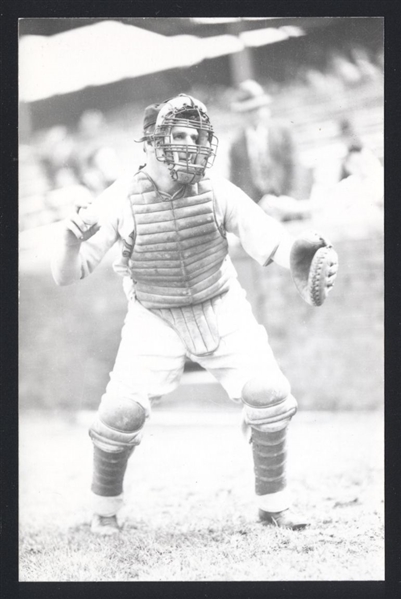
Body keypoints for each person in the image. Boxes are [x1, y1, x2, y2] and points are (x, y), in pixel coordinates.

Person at [51, 93, 337, 536]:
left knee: (269, 393)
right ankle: (104, 508)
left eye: (194, 135)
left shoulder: (217, 188)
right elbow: (68, 276)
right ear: (149, 144)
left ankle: (274, 505)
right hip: (154, 315)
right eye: (176, 135)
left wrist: (299, 255)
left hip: (220, 302)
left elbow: (271, 238)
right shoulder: (119, 198)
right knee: (119, 416)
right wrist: (69, 244)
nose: (189, 143)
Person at [229, 80, 298, 204]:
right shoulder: (237, 144)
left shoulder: (283, 132)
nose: (252, 115)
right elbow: (236, 180)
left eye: (256, 109)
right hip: (255, 202)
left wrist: (290, 198)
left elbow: (293, 166)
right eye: (246, 111)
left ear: (264, 108)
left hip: (283, 196)